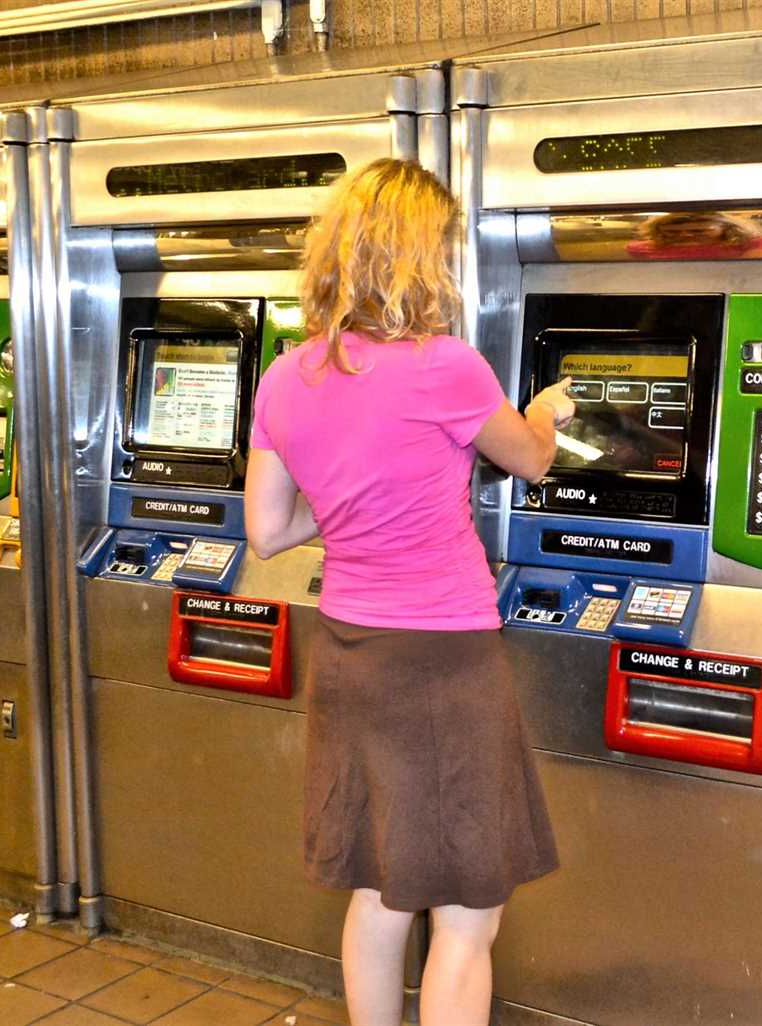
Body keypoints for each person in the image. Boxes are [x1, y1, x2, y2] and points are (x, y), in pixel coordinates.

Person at [244, 157, 576, 1026]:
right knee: (468, 911)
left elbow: (268, 532)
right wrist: (550, 410)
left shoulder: (284, 378)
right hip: (445, 663)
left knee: (380, 886)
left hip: (350, 654)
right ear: (418, 257)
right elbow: (532, 458)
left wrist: (353, 499)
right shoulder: (446, 367)